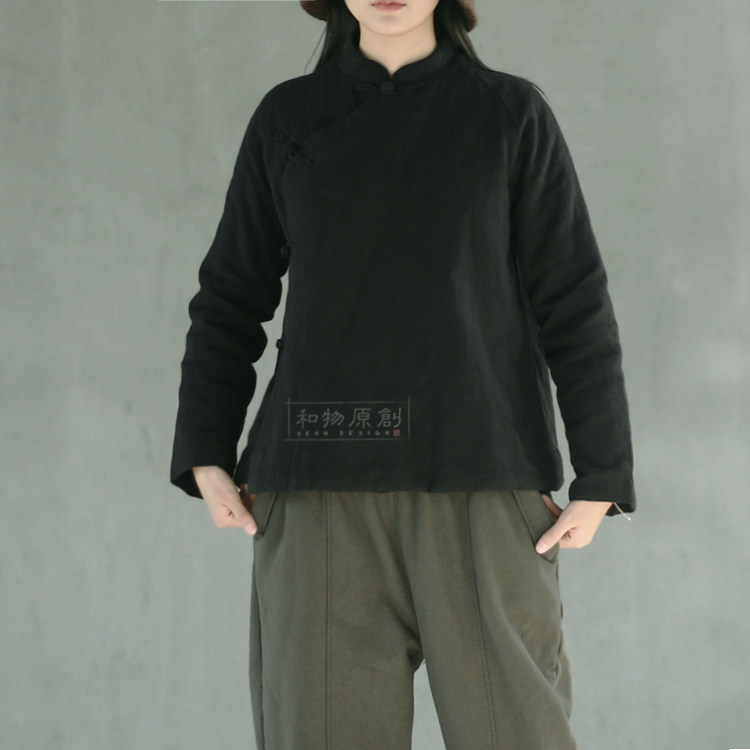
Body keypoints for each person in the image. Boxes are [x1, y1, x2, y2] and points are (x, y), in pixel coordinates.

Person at [169, 1, 637, 748]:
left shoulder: (508, 115)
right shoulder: (288, 118)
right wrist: (204, 453)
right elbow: (230, 296)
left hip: (481, 475)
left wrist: (603, 473)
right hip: (317, 485)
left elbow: (574, 300)